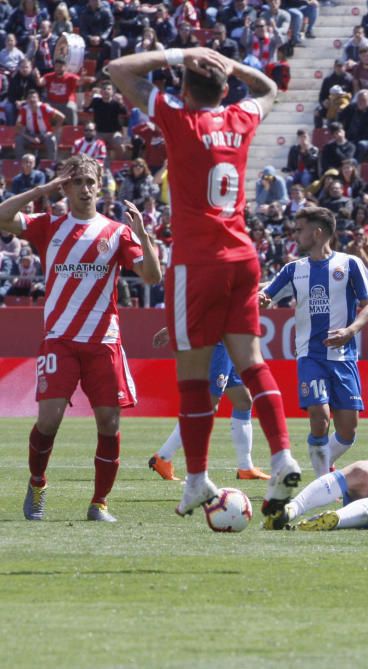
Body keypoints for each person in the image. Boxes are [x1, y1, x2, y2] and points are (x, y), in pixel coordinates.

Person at [108, 46, 303, 519]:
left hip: (198, 262)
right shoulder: (239, 118)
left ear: (184, 89)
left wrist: (181, 53)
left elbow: (118, 70)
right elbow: (270, 89)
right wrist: (227, 63)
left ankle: (195, 478)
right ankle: (282, 456)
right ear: (223, 88)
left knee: (193, 379)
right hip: (243, 255)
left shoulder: (180, 116)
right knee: (253, 363)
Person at [0, 155, 162, 522]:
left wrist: (144, 237)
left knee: (109, 423)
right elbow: (2, 215)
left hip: (103, 341)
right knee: (49, 422)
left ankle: (99, 503)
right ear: (66, 187)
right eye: (78, 182)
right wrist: (42, 190)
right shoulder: (49, 225)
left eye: (91, 182)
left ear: (99, 185)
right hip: (60, 339)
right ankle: (37, 483)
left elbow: (151, 277)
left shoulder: (118, 232)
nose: (86, 189)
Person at [259, 206, 368, 476]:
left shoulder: (349, 264)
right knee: (319, 417)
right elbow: (266, 296)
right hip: (309, 355)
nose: (296, 235)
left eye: (300, 230)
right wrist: (262, 300)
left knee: (348, 430)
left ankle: (321, 462)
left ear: (318, 232)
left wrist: (351, 330)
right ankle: (323, 480)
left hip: (344, 357)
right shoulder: (293, 270)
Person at [149, 333, 270, 482]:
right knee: (207, 406)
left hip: (230, 341)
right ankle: (163, 457)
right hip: (218, 341)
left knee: (243, 401)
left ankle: (245, 467)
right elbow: (202, 309)